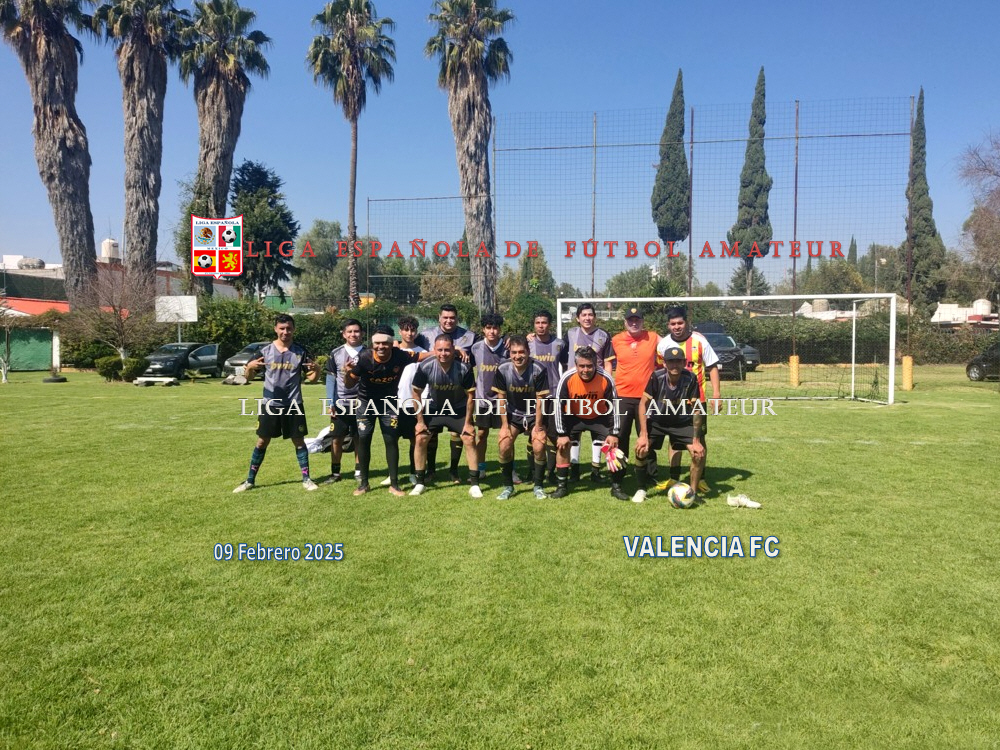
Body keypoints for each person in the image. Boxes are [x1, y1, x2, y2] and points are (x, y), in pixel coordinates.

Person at [233, 314, 321, 493]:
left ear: (294, 329)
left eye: (289, 328)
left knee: (299, 442)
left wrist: (317, 370)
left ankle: (306, 479)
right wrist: (249, 368)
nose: (285, 332)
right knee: (261, 442)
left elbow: (311, 379)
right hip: (270, 405)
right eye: (282, 328)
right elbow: (248, 378)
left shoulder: (301, 352)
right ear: (275, 329)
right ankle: (249, 480)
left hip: (293, 404)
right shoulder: (264, 351)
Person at [344, 325, 426, 497]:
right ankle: (364, 484)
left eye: (385, 343)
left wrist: (453, 350)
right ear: (372, 344)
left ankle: (394, 485)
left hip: (389, 403)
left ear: (391, 344)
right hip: (365, 403)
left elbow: (422, 356)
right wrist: (348, 373)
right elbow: (349, 384)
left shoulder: (400, 355)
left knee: (390, 439)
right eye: (377, 343)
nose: (381, 347)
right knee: (364, 438)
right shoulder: (364, 358)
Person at [550, 346, 628, 501]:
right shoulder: (567, 378)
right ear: (576, 365)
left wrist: (614, 433)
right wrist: (562, 434)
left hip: (599, 417)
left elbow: (615, 407)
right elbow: (558, 406)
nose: (585, 370)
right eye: (582, 366)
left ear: (596, 364)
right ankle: (562, 486)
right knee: (563, 445)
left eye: (589, 366)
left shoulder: (606, 378)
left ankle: (616, 486)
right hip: (574, 416)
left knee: (615, 445)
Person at [656, 305, 720, 493]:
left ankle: (701, 479)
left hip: (697, 400)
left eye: (680, 323)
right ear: (668, 325)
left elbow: (712, 367)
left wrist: (716, 394)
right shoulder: (663, 344)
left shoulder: (700, 341)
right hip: (672, 401)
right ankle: (673, 478)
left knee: (699, 438)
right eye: (673, 324)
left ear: (687, 323)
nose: (676, 327)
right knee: (674, 438)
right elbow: (660, 372)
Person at [409, 335, 481, 498]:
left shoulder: (464, 368)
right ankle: (420, 483)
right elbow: (416, 392)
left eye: (447, 350)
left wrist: (468, 423)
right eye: (440, 350)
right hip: (435, 408)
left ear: (453, 349)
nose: (443, 353)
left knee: (469, 438)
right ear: (434, 350)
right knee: (420, 437)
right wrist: (420, 421)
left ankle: (475, 484)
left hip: (458, 408)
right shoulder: (426, 366)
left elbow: (471, 396)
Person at [631, 346, 706, 504]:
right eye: (671, 361)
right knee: (641, 448)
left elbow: (697, 409)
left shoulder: (691, 378)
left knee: (698, 454)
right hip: (658, 421)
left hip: (681, 422)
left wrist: (696, 440)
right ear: (664, 363)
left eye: (678, 361)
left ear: (684, 363)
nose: (674, 365)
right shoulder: (656, 377)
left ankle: (692, 493)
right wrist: (643, 435)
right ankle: (641, 488)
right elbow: (643, 404)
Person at [416, 304, 477, 481]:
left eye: (452, 318)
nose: (448, 321)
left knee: (459, 434)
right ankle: (430, 470)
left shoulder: (470, 336)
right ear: (439, 318)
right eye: (445, 317)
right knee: (429, 434)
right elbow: (410, 347)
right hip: (434, 394)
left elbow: (489, 342)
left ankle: (454, 471)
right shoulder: (425, 336)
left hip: (458, 394)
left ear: (457, 319)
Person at [561, 302, 615, 482]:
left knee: (597, 430)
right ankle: (574, 469)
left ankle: (595, 470)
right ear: (577, 318)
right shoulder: (570, 334)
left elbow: (607, 362)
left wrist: (607, 383)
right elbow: (563, 359)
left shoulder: (603, 335)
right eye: (583, 315)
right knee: (573, 432)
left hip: (596, 389)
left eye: (590, 314)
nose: (587, 318)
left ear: (595, 317)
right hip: (575, 389)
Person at [492, 335, 550, 500]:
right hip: (513, 414)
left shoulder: (539, 368)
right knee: (504, 446)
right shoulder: (502, 368)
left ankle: (538, 486)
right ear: (509, 353)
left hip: (534, 414)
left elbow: (540, 401)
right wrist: (504, 426)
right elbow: (501, 399)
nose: (517, 356)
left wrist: (538, 427)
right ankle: (508, 486)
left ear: (528, 352)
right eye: (514, 352)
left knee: (538, 446)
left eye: (521, 352)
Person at [609, 306, 661, 457]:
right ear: (625, 322)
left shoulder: (653, 337)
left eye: (637, 320)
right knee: (619, 436)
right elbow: (607, 363)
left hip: (646, 397)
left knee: (647, 436)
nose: (634, 323)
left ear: (642, 322)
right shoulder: (616, 340)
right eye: (630, 320)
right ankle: (618, 470)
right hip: (622, 396)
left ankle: (647, 470)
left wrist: (692, 335)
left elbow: (672, 344)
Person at [325, 318, 365, 484]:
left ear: (362, 333)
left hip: (362, 403)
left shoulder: (369, 353)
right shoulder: (336, 353)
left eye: (356, 331)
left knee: (359, 438)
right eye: (349, 331)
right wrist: (330, 402)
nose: (353, 334)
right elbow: (330, 379)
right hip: (341, 403)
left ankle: (359, 471)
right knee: (336, 438)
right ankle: (335, 473)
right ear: (343, 334)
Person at [527, 309, 565, 482]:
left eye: (544, 323)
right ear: (534, 325)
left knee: (552, 435)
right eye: (538, 323)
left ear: (550, 325)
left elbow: (566, 366)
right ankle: (532, 472)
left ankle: (551, 473)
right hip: (532, 396)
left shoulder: (560, 344)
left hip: (553, 395)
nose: (541, 326)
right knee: (533, 433)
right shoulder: (528, 343)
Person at [470, 313, 508, 479]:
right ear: (483, 329)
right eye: (488, 328)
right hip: (482, 400)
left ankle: (510, 470)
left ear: (500, 330)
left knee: (507, 435)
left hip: (503, 400)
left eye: (495, 328)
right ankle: (481, 468)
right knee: (481, 434)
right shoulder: (476, 348)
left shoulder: (507, 349)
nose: (492, 331)